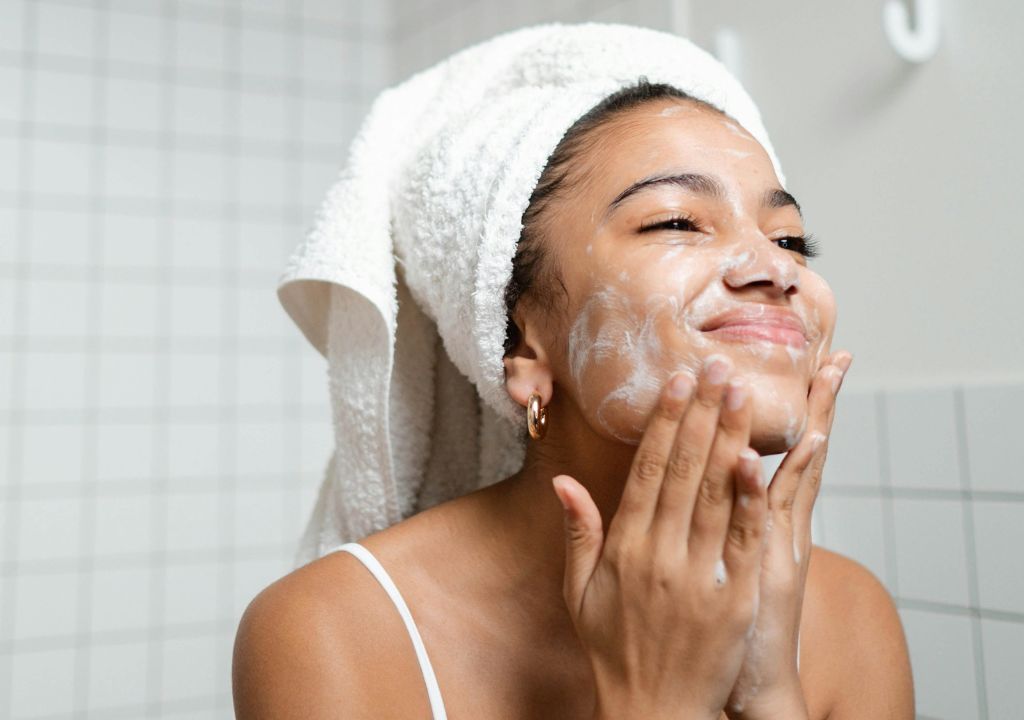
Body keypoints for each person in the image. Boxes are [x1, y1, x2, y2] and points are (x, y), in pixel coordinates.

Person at [233, 26, 914, 720]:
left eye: (791, 238)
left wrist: (770, 693)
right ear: (524, 342)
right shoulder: (333, 632)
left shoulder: (849, 616)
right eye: (677, 221)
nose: (776, 268)